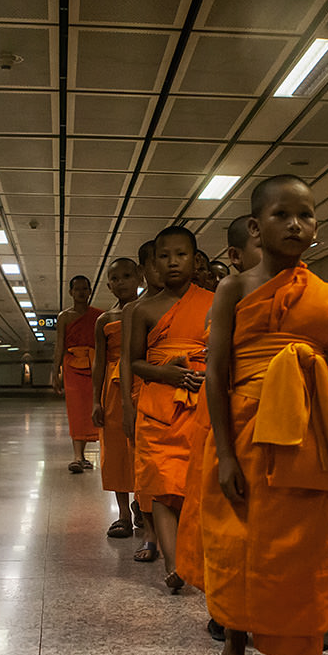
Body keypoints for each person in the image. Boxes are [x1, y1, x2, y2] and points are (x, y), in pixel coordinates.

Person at [200, 175, 328, 655]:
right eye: (281, 215)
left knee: (305, 560)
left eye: (306, 215)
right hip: (246, 435)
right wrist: (225, 454)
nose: (296, 225)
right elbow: (217, 375)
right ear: (256, 226)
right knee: (240, 546)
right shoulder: (234, 289)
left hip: (305, 443)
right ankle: (234, 637)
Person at [179, 213, 263, 642]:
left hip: (286, 421)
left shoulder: (298, 293)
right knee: (223, 516)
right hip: (225, 418)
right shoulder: (228, 300)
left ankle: (282, 614)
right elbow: (217, 371)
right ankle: (225, 608)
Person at [127, 226, 214, 592]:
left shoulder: (214, 302)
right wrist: (167, 373)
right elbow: (133, 362)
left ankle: (201, 558)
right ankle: (175, 565)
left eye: (181, 255)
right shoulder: (143, 309)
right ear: (154, 263)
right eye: (164, 256)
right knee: (162, 488)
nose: (172, 262)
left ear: (195, 260)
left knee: (198, 485)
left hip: (202, 405)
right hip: (159, 407)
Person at [91, 257, 143, 538]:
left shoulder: (148, 310)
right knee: (114, 452)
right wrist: (95, 401)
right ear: (109, 285)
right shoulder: (105, 319)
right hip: (111, 390)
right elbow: (99, 362)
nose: (121, 282)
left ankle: (143, 505)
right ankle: (123, 513)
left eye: (127, 276)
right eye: (115, 278)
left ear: (140, 279)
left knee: (140, 448)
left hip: (141, 383)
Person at [121, 240, 164, 562]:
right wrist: (126, 405)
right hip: (145, 394)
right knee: (147, 467)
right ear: (143, 270)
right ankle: (150, 532)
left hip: (190, 392)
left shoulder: (199, 302)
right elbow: (127, 360)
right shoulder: (134, 310)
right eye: (155, 262)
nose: (164, 267)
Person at [52, 274, 104, 473]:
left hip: (95, 366)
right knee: (75, 410)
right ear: (70, 292)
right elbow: (60, 346)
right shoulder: (64, 317)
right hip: (72, 366)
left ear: (90, 291)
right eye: (77, 289)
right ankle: (77, 456)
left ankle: (90, 454)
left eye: (85, 289)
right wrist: (55, 371)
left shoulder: (100, 315)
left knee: (93, 408)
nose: (81, 292)